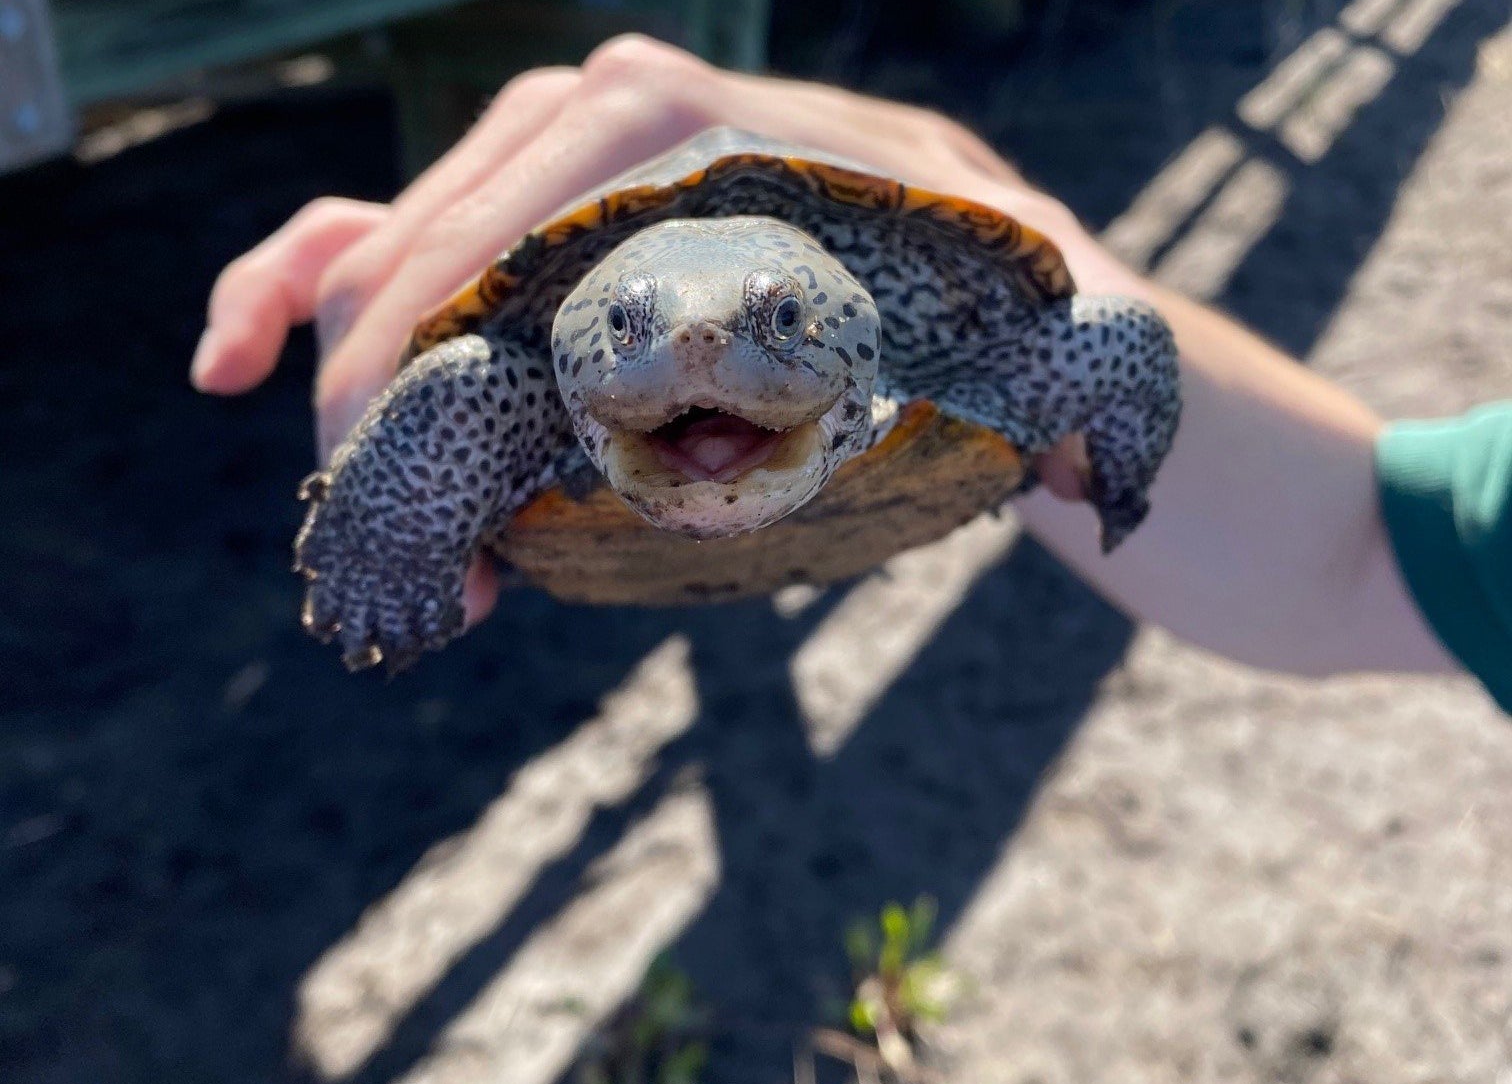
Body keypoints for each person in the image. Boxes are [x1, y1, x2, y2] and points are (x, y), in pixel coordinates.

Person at [189, 35, 1511, 712]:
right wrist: (389, 541)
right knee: (466, 381)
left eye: (768, 325)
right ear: (586, 335)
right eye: (638, 335)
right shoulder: (524, 379)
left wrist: (1118, 427)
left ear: (844, 316)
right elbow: (1382, 548)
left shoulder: (923, 301)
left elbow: (1106, 345)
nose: (697, 359)